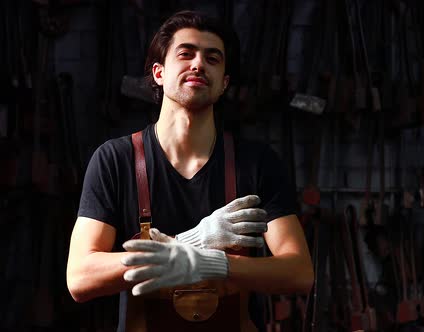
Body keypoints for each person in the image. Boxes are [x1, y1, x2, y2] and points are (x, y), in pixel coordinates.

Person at [66, 10, 313, 331]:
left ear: (224, 83)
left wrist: (215, 263)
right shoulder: (115, 159)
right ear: (158, 73)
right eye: (186, 54)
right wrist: (193, 242)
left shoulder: (256, 162)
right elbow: (80, 277)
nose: (198, 64)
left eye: (213, 58)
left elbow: (299, 273)